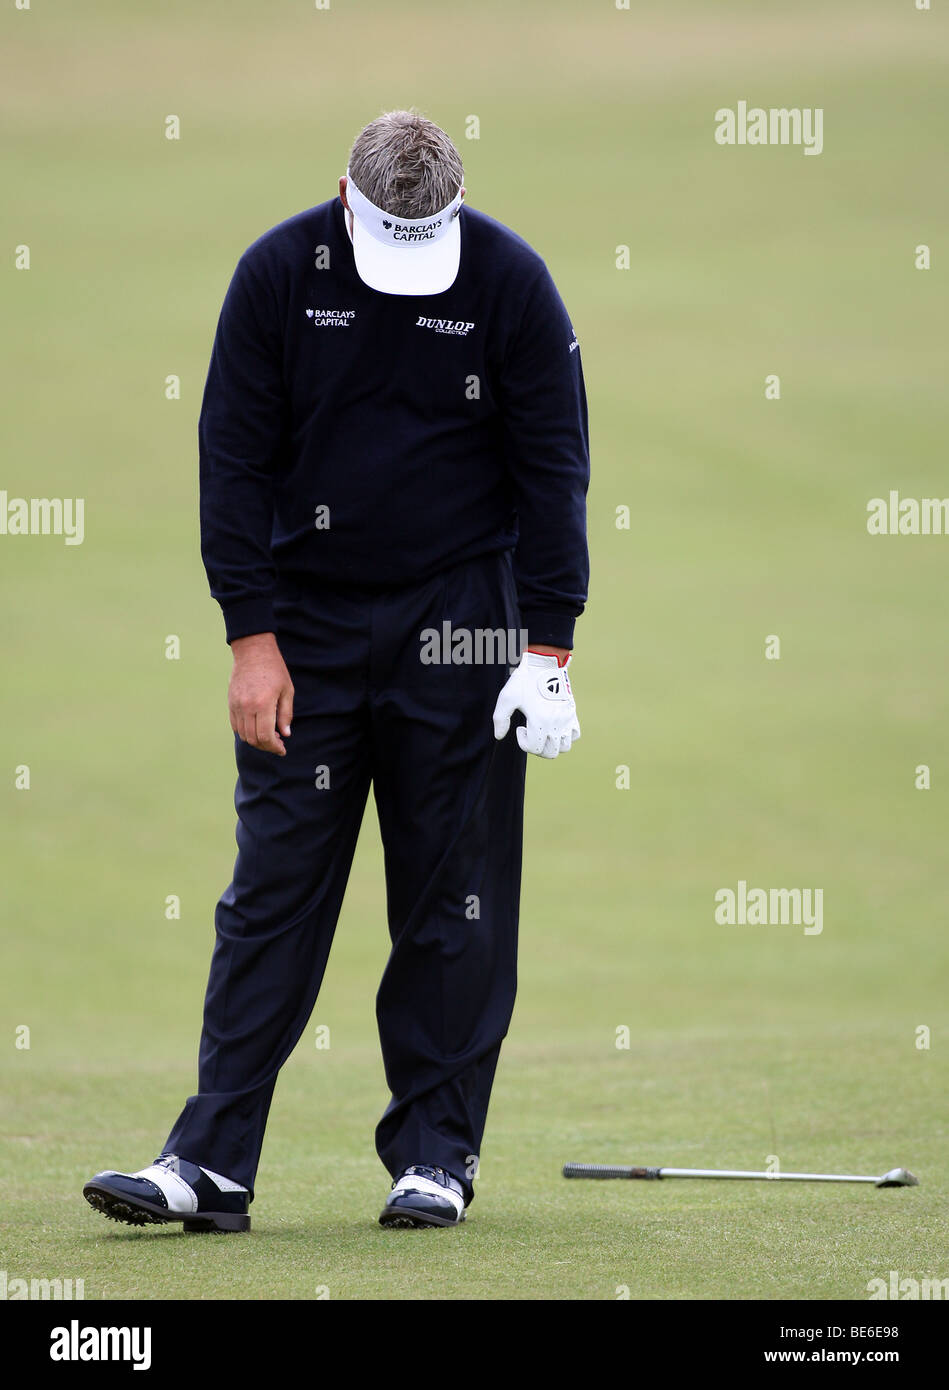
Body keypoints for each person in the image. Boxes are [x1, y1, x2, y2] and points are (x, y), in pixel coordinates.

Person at [83, 109, 589, 1233]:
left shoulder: (508, 282)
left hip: (461, 619)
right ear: (346, 200)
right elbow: (232, 459)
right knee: (272, 891)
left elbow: (553, 468)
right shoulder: (277, 275)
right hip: (305, 626)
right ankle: (209, 1163)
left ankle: (435, 1156)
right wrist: (248, 639)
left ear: (451, 212)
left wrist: (547, 649)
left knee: (450, 896)